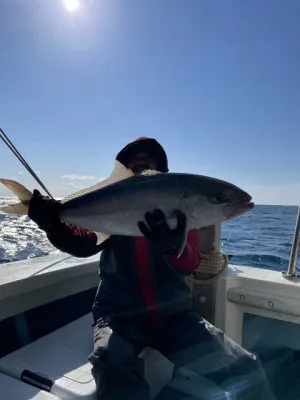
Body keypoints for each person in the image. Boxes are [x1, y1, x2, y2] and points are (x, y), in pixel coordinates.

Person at [28, 137, 274, 400]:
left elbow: (190, 262)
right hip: (118, 316)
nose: (140, 163)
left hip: (175, 316)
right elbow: (82, 246)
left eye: (149, 161)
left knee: (245, 367)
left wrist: (171, 246)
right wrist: (52, 224)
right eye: (133, 161)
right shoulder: (110, 208)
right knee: (111, 364)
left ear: (162, 175)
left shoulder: (182, 218)